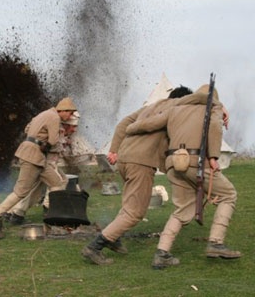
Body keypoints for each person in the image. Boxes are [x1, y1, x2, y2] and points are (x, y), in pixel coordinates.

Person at [81, 85, 224, 265]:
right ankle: (94, 247)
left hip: (125, 158)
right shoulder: (178, 108)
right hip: (140, 162)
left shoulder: (151, 107)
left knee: (128, 206)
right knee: (135, 212)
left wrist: (114, 150)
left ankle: (113, 237)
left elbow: (123, 123)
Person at [125, 84, 240, 269]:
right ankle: (216, 243)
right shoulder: (213, 108)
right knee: (229, 195)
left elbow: (150, 124)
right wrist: (213, 157)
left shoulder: (175, 109)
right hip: (196, 162)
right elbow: (215, 129)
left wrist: (130, 128)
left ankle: (162, 253)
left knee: (182, 209)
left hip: (173, 164)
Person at [0, 97, 77, 217]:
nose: (70, 117)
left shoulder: (43, 114)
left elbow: (27, 128)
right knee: (21, 192)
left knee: (58, 182)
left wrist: (38, 139)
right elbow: (53, 140)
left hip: (37, 157)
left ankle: (52, 212)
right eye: (70, 113)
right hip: (33, 157)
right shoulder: (54, 117)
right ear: (63, 110)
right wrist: (45, 142)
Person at [5, 111, 81, 225]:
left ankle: (15, 213)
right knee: (55, 183)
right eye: (73, 126)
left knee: (44, 185)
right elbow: (53, 144)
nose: (74, 129)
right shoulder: (55, 127)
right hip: (45, 160)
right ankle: (41, 210)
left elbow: (28, 129)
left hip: (46, 160)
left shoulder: (49, 122)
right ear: (66, 123)